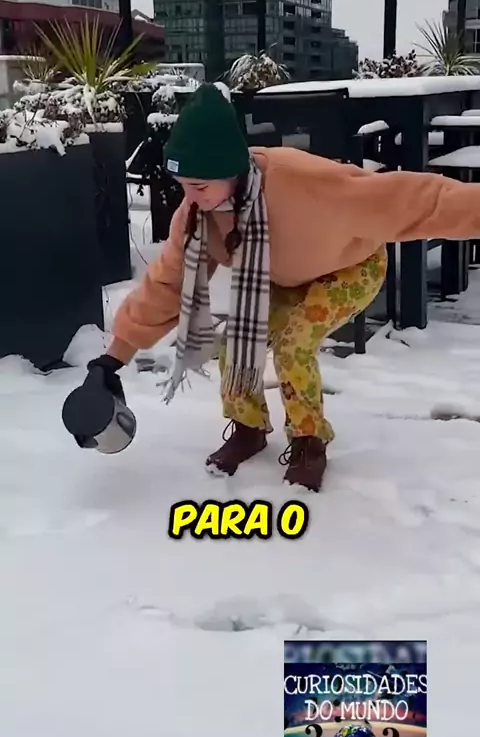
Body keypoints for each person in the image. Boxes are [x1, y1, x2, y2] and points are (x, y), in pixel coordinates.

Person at [80, 83, 480, 492]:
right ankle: (249, 428)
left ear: (231, 170)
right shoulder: (199, 215)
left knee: (293, 346)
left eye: (199, 186)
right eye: (183, 185)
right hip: (283, 278)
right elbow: (167, 284)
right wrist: (112, 359)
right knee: (236, 344)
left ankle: (309, 442)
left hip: (349, 268)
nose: (190, 198)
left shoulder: (302, 183)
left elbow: (414, 199)